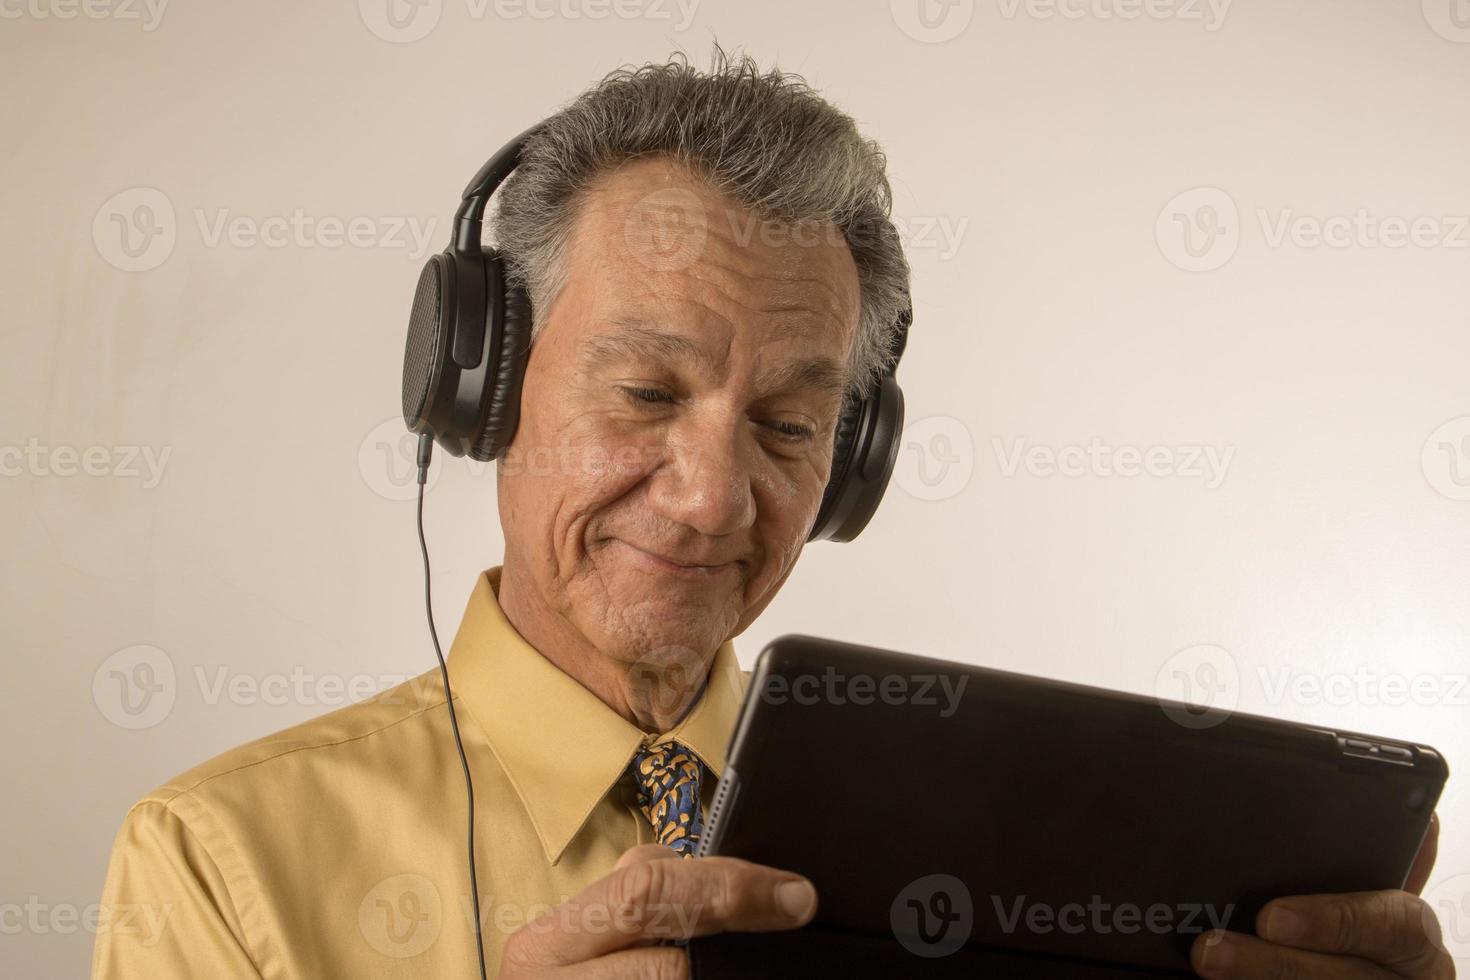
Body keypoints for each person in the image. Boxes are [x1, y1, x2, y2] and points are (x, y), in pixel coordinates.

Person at [90, 48, 1451, 980]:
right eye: (641, 392)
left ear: (850, 464)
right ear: (483, 388)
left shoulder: (1001, 856)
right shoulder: (223, 867)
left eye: (789, 425)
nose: (711, 497)